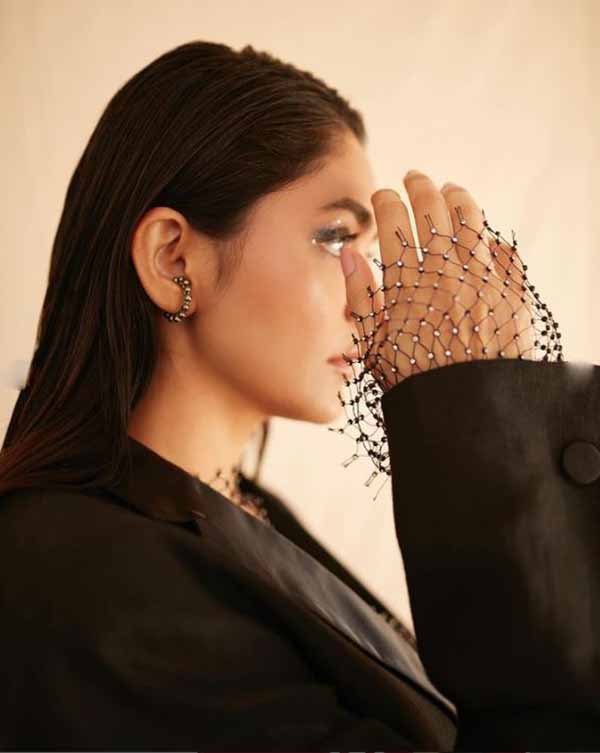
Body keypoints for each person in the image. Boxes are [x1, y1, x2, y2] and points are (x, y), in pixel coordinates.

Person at [0, 39, 598, 751]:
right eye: (335, 239)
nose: (371, 299)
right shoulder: (90, 576)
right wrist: (488, 435)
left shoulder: (246, 510)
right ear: (173, 259)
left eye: (367, 253)